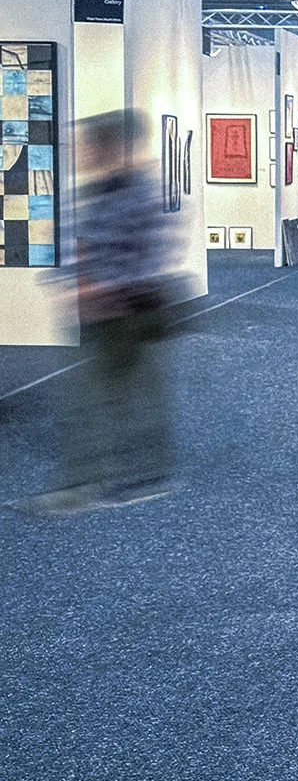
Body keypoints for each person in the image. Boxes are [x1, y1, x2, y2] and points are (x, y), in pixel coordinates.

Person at [22, 110, 177, 515]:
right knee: (121, 397)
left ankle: (92, 484)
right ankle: (137, 474)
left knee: (100, 400)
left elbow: (142, 252)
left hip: (122, 314)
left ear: (113, 146)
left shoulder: (135, 193)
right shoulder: (106, 190)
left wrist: (101, 289)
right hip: (109, 312)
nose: (83, 152)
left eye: (90, 144)